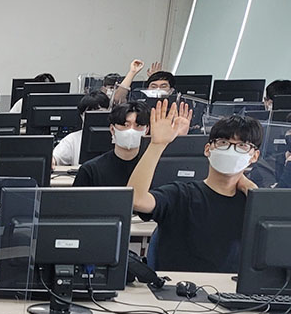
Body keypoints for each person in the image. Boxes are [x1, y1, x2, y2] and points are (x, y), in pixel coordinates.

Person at [127, 100, 260, 272]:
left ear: (254, 156)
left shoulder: (251, 203)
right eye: (223, 143)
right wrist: (157, 145)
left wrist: (252, 190)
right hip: (179, 286)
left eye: (242, 146)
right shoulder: (181, 195)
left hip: (231, 287)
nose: (231, 150)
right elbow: (136, 199)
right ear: (207, 149)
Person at [73, 101, 150, 188]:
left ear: (146, 130)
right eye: (126, 125)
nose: (131, 131)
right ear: (112, 129)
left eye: (138, 126)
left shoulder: (154, 168)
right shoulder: (90, 170)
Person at [52, 91, 111, 167]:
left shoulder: (116, 137)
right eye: (90, 114)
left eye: (100, 112)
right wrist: (53, 160)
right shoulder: (72, 139)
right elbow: (55, 157)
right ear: (81, 116)